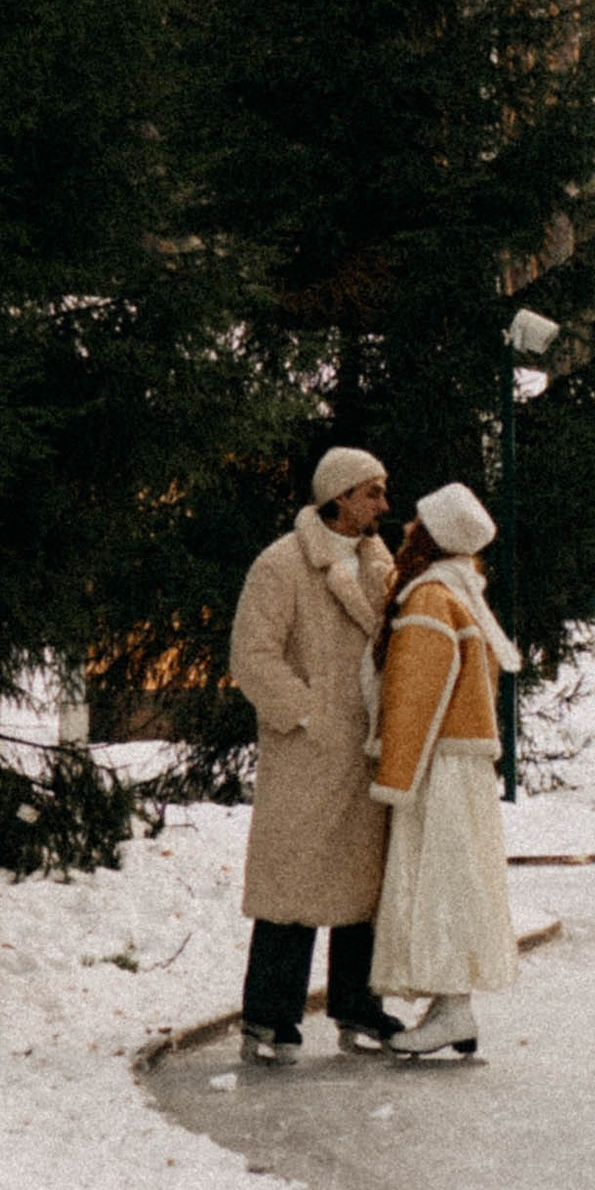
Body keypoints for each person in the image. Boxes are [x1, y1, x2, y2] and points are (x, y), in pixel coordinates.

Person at [228, 445, 411, 1067]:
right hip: (308, 755)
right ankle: (269, 1015)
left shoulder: (378, 564)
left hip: (366, 752)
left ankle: (357, 1004)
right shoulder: (282, 565)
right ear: (338, 496)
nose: (385, 504)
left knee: (363, 884)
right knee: (294, 884)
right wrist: (308, 714)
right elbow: (252, 657)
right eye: (372, 491)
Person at [369, 481, 522, 1059]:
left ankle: (453, 1005)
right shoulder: (462, 591)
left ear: (431, 536)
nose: (406, 528)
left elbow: (415, 692)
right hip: (462, 760)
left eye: (416, 522)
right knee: (458, 877)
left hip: (439, 763)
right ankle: (449, 1004)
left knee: (438, 881)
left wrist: (394, 770)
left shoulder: (431, 597)